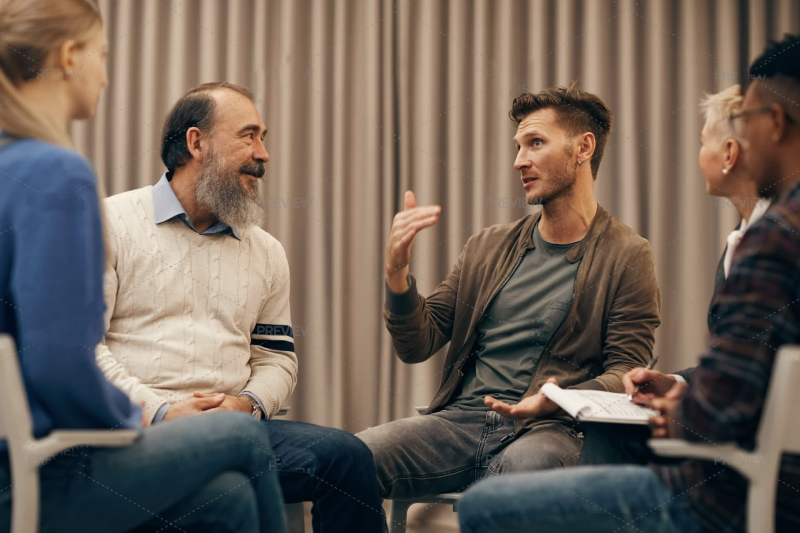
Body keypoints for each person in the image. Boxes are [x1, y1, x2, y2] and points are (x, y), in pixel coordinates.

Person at [458, 33, 800, 533]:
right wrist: (681, 385)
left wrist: (677, 409)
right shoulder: (770, 232)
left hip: (724, 499)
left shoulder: (773, 239)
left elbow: (719, 413)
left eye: (746, 120)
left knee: (485, 506)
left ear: (771, 123)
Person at [0, 1, 285, 532]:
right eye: (102, 56)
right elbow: (58, 366)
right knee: (243, 436)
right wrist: (147, 418)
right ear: (67, 57)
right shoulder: (56, 173)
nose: (105, 76)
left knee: (227, 500)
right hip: (35, 474)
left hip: (24, 459)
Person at [96, 81, 385, 533]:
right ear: (196, 143)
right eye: (248, 136)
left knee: (347, 457)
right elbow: (82, 350)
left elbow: (276, 358)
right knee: (229, 477)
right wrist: (160, 411)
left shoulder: (266, 251)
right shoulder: (109, 224)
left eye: (262, 138)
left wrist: (248, 405)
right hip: (137, 431)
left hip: (238, 428)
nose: (263, 154)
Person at [357, 82, 662, 500]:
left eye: (535, 143)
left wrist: (555, 399)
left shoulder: (628, 254)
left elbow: (625, 374)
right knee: (350, 458)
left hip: (552, 430)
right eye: (518, 147)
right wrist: (396, 272)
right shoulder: (487, 246)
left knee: (515, 480)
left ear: (583, 148)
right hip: (460, 422)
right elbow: (417, 343)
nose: (519, 161)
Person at [579, 83, 772, 466]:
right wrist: (677, 382)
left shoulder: (769, 248)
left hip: (742, 459)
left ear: (729, 154)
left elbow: (758, 378)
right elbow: (744, 361)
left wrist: (684, 413)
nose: (699, 154)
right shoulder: (743, 237)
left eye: (704, 142)